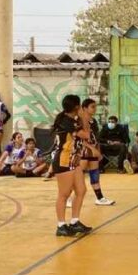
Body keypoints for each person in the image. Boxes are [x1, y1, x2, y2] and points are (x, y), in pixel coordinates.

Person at [52, 94, 93, 237]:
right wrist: (83, 117)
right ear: (77, 107)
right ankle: (61, 225)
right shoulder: (66, 121)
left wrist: (82, 117)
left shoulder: (72, 120)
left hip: (74, 160)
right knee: (64, 194)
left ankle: (75, 221)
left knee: (81, 190)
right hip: (64, 160)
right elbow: (86, 134)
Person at [80, 98, 115, 206]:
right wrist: (92, 148)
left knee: (94, 174)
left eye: (95, 106)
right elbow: (79, 138)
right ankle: (69, 198)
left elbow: (96, 137)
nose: (95, 109)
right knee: (78, 175)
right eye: (92, 107)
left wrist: (98, 149)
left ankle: (100, 198)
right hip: (83, 150)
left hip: (93, 150)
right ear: (85, 108)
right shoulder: (80, 120)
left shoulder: (93, 121)